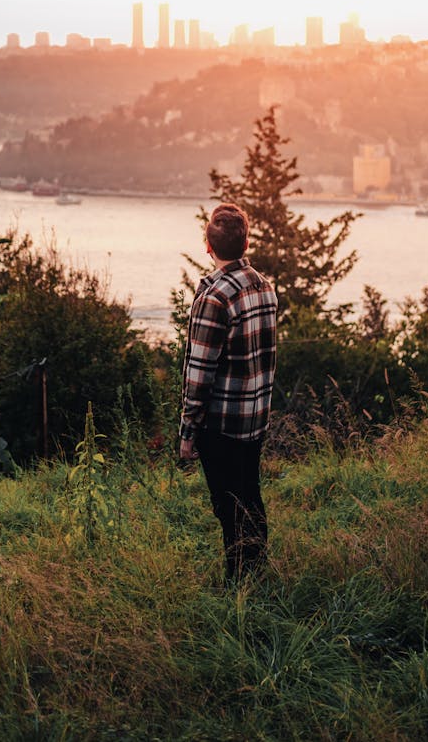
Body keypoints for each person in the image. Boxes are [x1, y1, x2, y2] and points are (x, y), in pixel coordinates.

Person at [179, 202, 278, 582]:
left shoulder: (214, 297)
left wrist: (188, 433)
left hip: (221, 423)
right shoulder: (264, 288)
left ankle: (239, 585)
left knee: (228, 506)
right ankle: (255, 577)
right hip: (255, 417)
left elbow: (199, 373)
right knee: (249, 496)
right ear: (246, 241)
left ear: (208, 245)